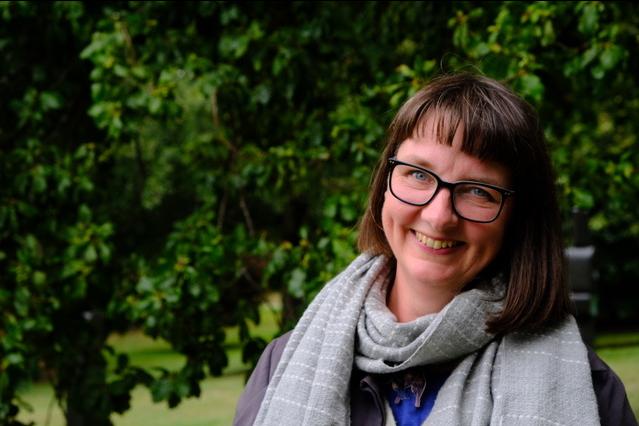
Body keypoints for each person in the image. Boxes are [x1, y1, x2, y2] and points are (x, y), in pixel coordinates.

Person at [233, 73, 637, 426]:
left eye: (479, 191)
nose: (439, 215)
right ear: (384, 182)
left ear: (519, 218)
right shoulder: (284, 364)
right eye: (418, 175)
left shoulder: (590, 390)